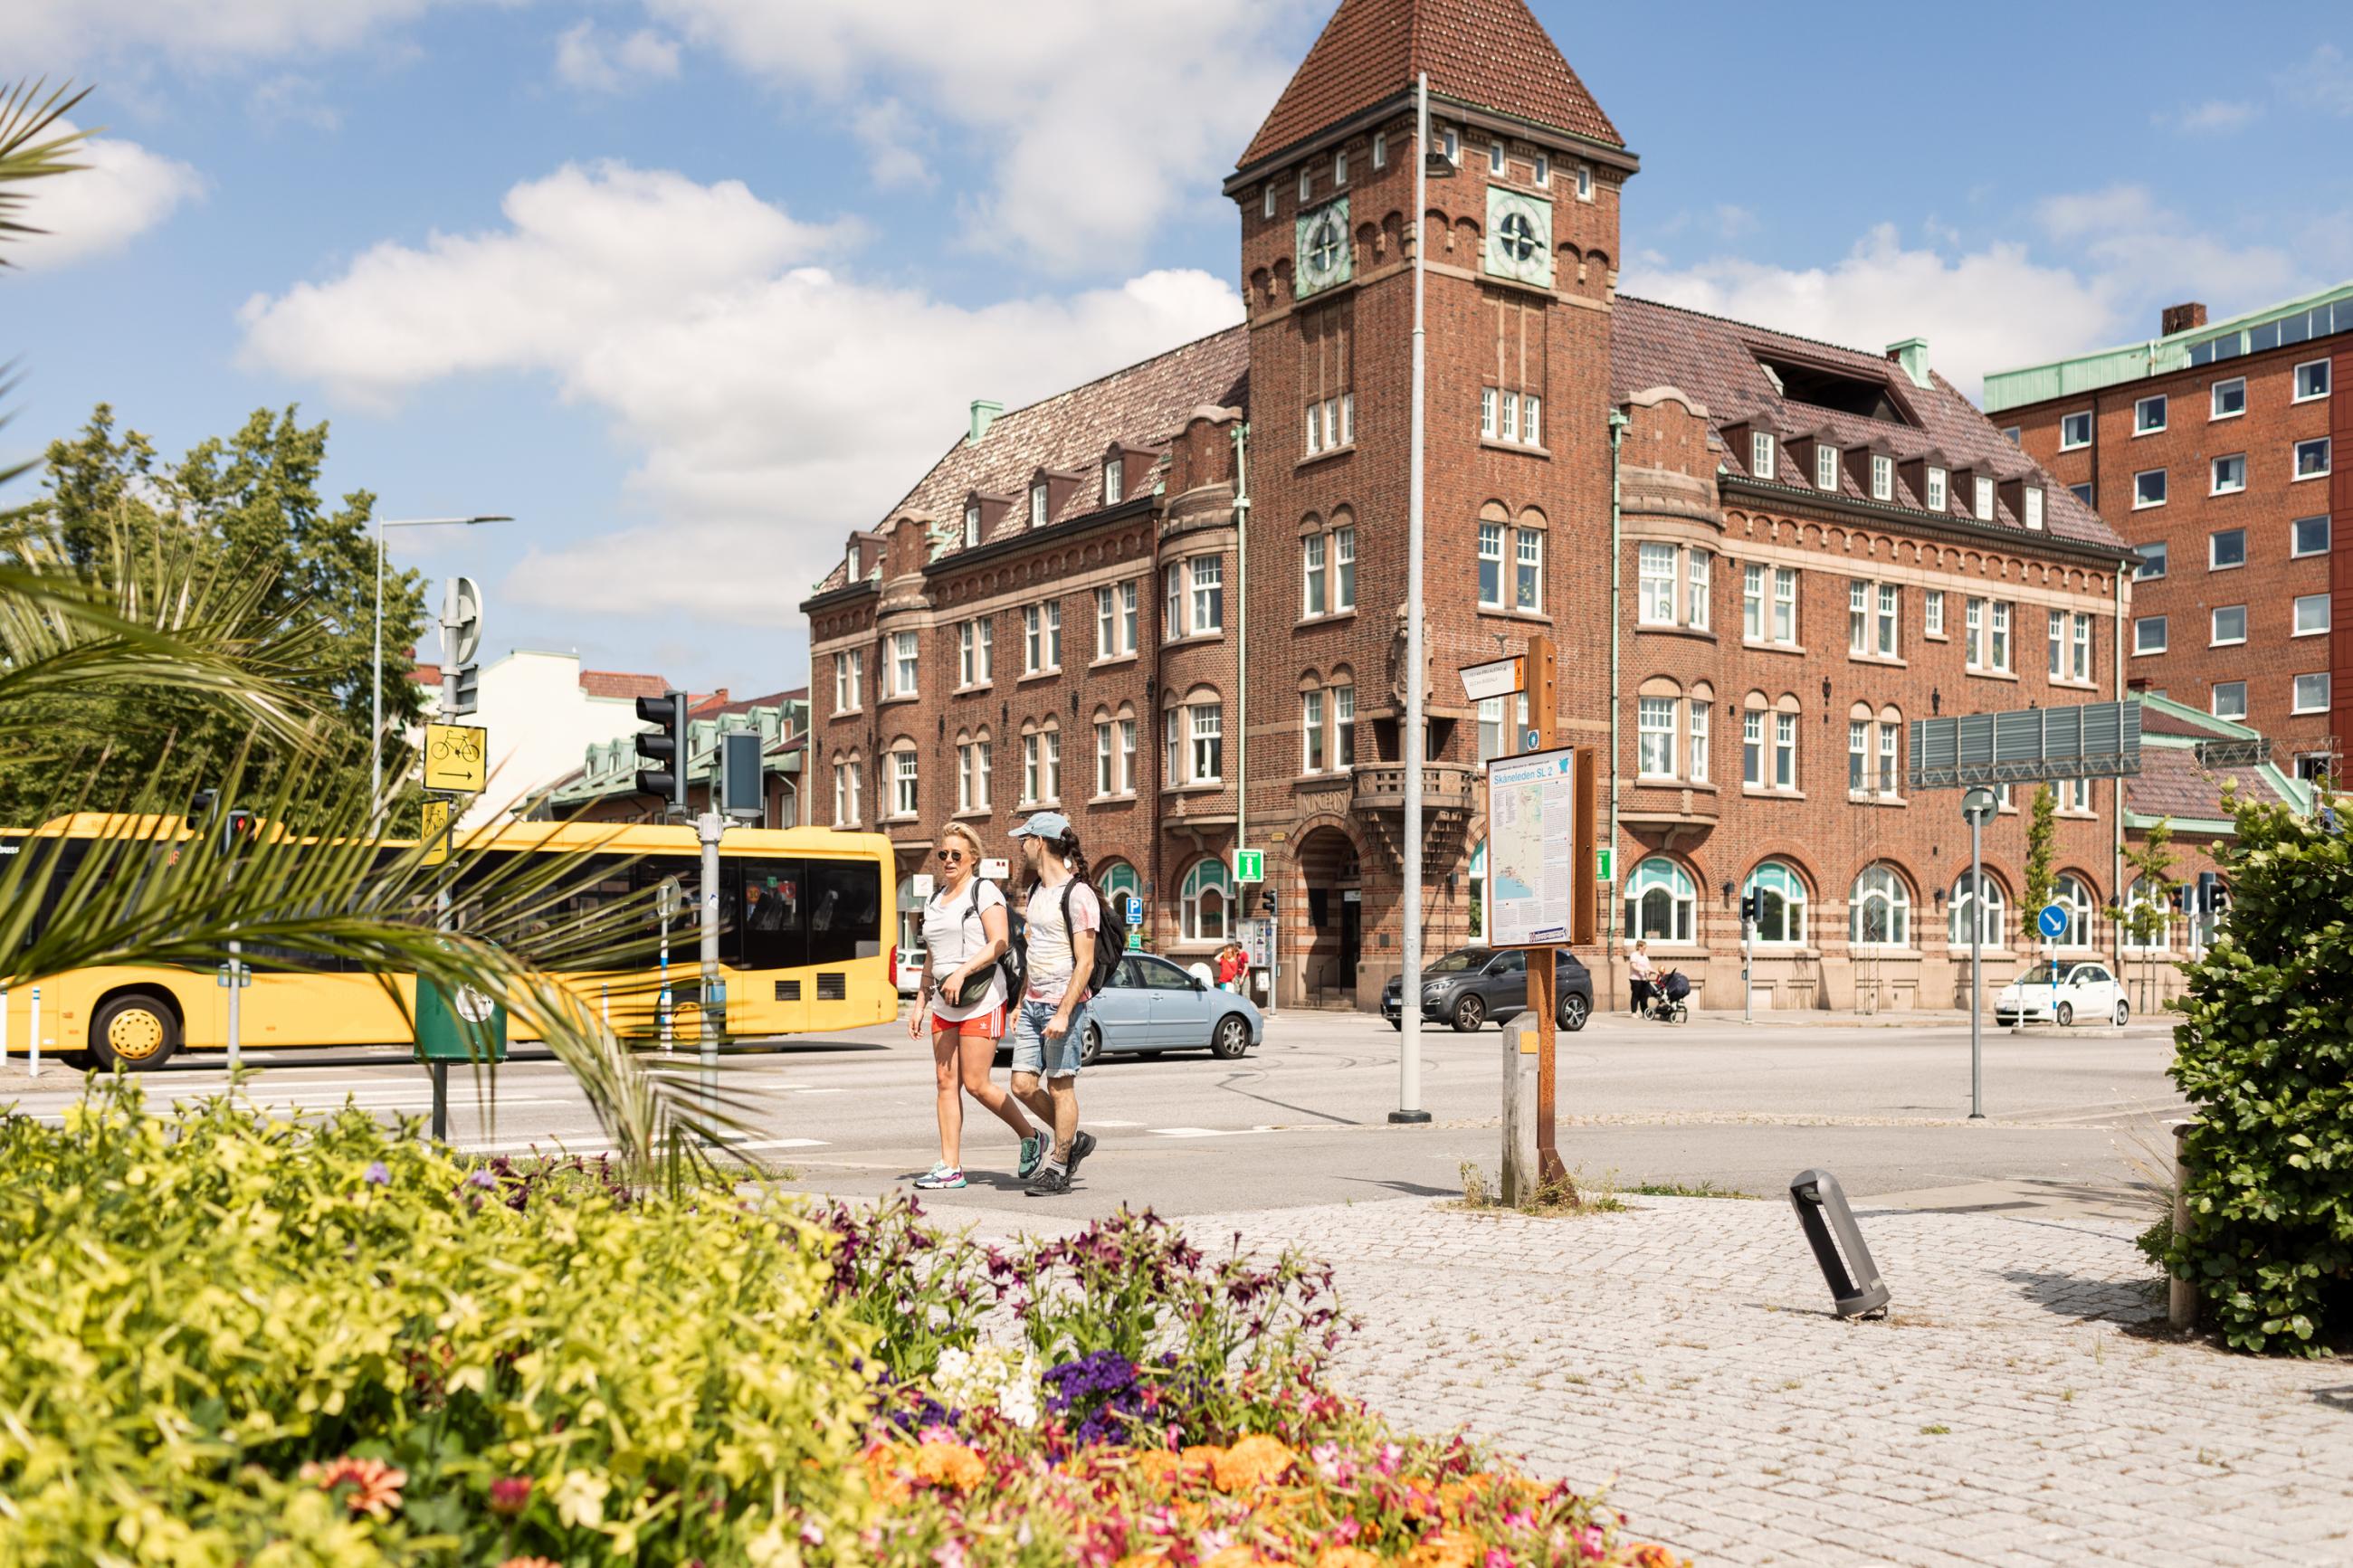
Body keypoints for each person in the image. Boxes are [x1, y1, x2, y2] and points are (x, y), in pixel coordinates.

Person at [909, 822, 1043, 1190]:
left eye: (956, 855)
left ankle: (1031, 1135)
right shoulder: (934, 900)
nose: (948, 860)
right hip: (944, 1000)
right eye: (944, 854)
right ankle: (950, 1166)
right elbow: (932, 955)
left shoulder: (984, 891)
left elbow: (999, 942)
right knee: (944, 1083)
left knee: (977, 1084)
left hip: (982, 998)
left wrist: (962, 972)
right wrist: (920, 1001)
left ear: (973, 859)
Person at [1006, 811, 1100, 1197]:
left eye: (1024, 840)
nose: (1021, 847)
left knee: (1060, 1087)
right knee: (1022, 1085)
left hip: (1064, 1005)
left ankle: (1059, 1166)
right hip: (1033, 1003)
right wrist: (1019, 1002)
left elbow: (1086, 962)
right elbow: (1035, 953)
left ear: (1040, 842)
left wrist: (1063, 1012)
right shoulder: (1036, 891)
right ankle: (1073, 1140)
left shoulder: (1078, 894)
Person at [1627, 937, 1659, 1017]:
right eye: (1644, 948)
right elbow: (1634, 966)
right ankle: (1634, 1012)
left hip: (1644, 979)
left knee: (1644, 996)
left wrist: (1655, 972)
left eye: (1645, 948)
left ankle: (1644, 1012)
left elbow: (1648, 967)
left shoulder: (1645, 956)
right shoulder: (1634, 955)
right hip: (1635, 979)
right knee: (1636, 995)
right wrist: (1643, 970)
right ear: (1639, 947)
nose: (1645, 950)